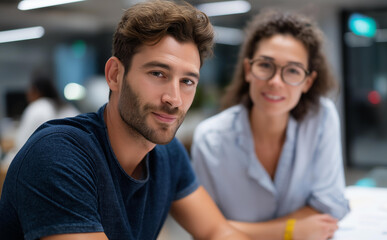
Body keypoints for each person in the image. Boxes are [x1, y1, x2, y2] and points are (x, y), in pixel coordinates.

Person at [0, 1, 250, 240]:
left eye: (187, 81)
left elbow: (217, 231)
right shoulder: (57, 154)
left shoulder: (168, 154)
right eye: (158, 73)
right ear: (115, 75)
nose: (174, 99)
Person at [191, 10, 350, 240]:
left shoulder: (322, 117)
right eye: (265, 65)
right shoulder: (210, 139)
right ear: (248, 70)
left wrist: (232, 229)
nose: (276, 82)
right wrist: (289, 232)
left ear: (307, 82)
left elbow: (329, 208)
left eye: (293, 70)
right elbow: (204, 230)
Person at [1, 75, 80, 166]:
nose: (27, 94)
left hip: (45, 165)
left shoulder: (36, 107)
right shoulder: (68, 107)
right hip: (74, 162)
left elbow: (21, 145)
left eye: (29, 90)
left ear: (36, 91)